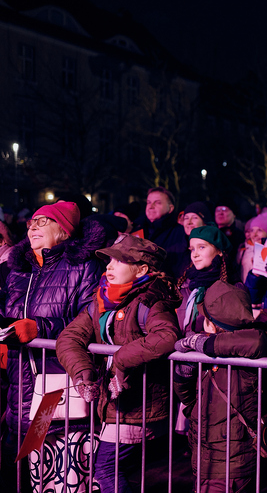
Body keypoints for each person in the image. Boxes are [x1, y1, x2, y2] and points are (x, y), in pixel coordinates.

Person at [55, 235, 182, 493]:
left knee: (106, 469)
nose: (109, 267)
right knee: (117, 470)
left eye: (119, 261)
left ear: (142, 269)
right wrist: (83, 372)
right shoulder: (102, 300)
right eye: (109, 260)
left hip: (138, 405)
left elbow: (166, 336)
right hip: (113, 404)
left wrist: (122, 361)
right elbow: (69, 337)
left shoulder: (151, 301)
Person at [0, 201, 107, 493]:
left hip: (57, 387)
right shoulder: (18, 270)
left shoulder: (84, 266)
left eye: (43, 222)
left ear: (63, 229)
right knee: (33, 473)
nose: (32, 226)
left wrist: (40, 328)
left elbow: (91, 324)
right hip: (21, 384)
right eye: (32, 222)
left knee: (62, 476)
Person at [173, 280, 267, 493]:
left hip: (230, 461)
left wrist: (201, 343)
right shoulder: (212, 354)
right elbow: (189, 399)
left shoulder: (246, 354)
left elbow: (256, 342)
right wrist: (184, 373)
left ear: (212, 324)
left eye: (204, 317)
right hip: (205, 455)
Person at [177, 226, 232, 337]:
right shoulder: (184, 288)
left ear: (219, 251)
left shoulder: (232, 289)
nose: (195, 254)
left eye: (201, 247)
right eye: (192, 249)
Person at [133, 187, 187, 278]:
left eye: (157, 203)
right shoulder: (136, 229)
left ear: (170, 208)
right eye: (148, 202)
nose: (151, 206)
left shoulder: (180, 233)